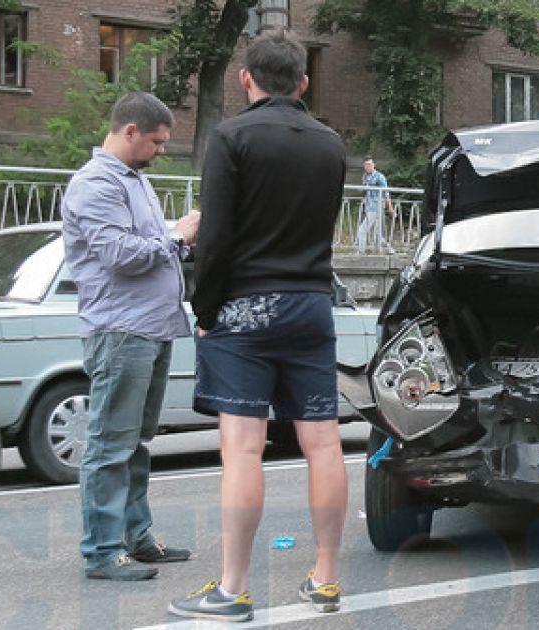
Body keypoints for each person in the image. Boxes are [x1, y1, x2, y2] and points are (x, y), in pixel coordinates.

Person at [168, 29, 348, 622]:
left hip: (245, 307)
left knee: (243, 448)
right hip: (311, 303)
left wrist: (205, 308)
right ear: (302, 82)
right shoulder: (330, 144)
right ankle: (325, 577)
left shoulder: (231, 136)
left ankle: (233, 588)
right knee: (322, 442)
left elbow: (215, 237)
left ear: (246, 79)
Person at [61, 91, 199, 581]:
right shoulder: (96, 183)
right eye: (157, 142)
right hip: (122, 330)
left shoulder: (133, 179)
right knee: (110, 445)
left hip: (150, 327)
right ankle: (101, 553)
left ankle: (137, 539)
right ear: (130, 132)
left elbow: (149, 251)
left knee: (135, 442)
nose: (161, 150)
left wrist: (177, 244)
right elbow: (122, 255)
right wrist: (178, 236)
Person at [354, 156, 396, 255]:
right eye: (366, 165)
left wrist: (390, 207)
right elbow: (365, 189)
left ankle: (360, 252)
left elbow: (386, 192)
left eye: (370, 164)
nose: (368, 167)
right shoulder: (364, 176)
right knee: (376, 233)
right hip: (368, 206)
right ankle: (389, 249)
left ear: (374, 165)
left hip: (376, 207)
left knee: (362, 230)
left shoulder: (379, 177)